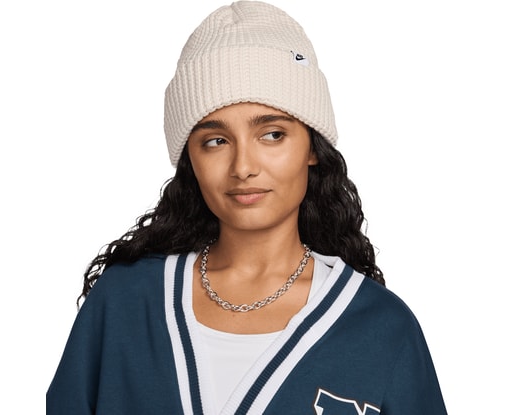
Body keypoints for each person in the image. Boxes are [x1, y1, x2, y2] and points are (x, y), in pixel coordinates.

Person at [47, 1, 447, 414]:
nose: (243, 167)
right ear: (190, 161)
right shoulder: (123, 303)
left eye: (272, 134)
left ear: (312, 147)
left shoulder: (383, 327)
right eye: (216, 141)